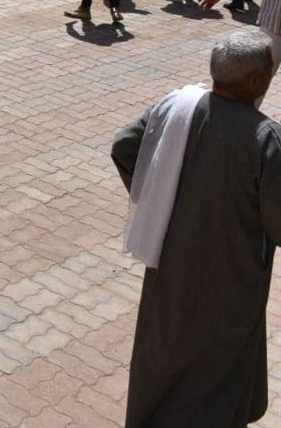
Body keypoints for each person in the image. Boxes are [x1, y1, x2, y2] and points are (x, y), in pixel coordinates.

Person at [110, 32, 281, 428]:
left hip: (169, 262)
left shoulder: (177, 106)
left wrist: (157, 200)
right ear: (256, 81)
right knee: (218, 371)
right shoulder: (266, 138)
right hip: (232, 276)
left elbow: (124, 147)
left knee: (163, 353)